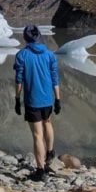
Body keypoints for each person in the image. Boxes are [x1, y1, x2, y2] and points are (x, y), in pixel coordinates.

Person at [13, 24, 60, 181]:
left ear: (25, 38)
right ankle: (50, 151)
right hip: (48, 99)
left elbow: (18, 80)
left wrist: (17, 98)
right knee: (48, 122)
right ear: (39, 36)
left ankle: (40, 171)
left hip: (32, 100)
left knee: (37, 135)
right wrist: (58, 99)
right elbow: (55, 78)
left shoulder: (22, 55)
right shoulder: (49, 54)